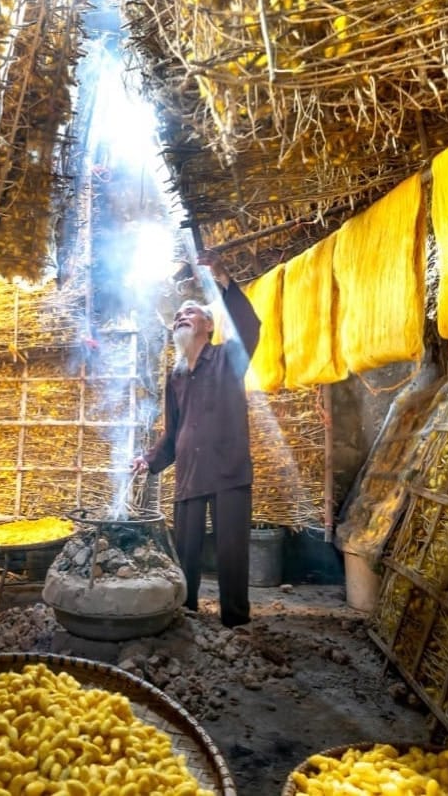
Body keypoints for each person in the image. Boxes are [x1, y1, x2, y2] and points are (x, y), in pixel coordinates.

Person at [132, 251, 261, 628]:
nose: (180, 318)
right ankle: (185, 613)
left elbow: (249, 326)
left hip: (227, 469)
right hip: (190, 471)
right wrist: (150, 460)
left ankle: (235, 620)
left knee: (231, 548)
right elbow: (173, 433)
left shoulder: (228, 358)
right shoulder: (174, 377)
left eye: (190, 313)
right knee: (184, 548)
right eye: (177, 316)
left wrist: (223, 279)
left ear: (208, 325)